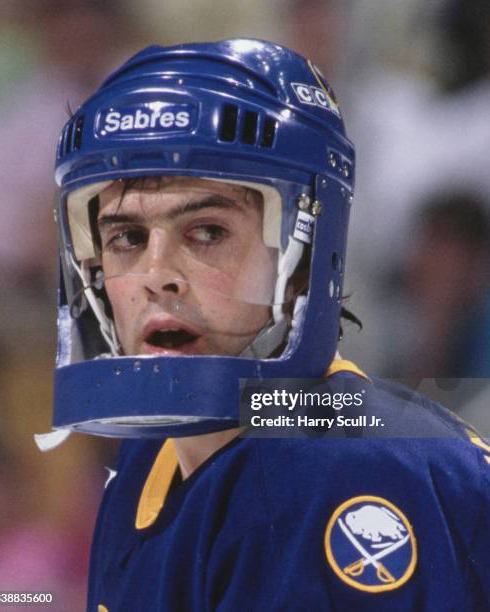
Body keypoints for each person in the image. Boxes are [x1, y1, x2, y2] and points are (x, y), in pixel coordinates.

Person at [40, 39, 490, 610]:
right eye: (126, 238)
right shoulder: (150, 459)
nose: (156, 276)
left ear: (302, 263)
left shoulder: (346, 471)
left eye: (207, 231)